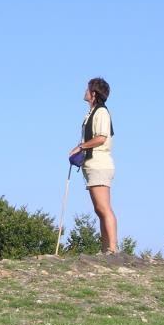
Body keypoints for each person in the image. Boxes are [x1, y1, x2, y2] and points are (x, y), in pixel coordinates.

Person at [69, 77, 117, 254]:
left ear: (94, 93)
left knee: (104, 208)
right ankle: (106, 248)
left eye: (87, 89)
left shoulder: (102, 113)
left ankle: (112, 248)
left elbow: (101, 138)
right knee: (99, 209)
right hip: (92, 165)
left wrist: (80, 146)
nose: (85, 91)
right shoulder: (92, 112)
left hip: (100, 164)